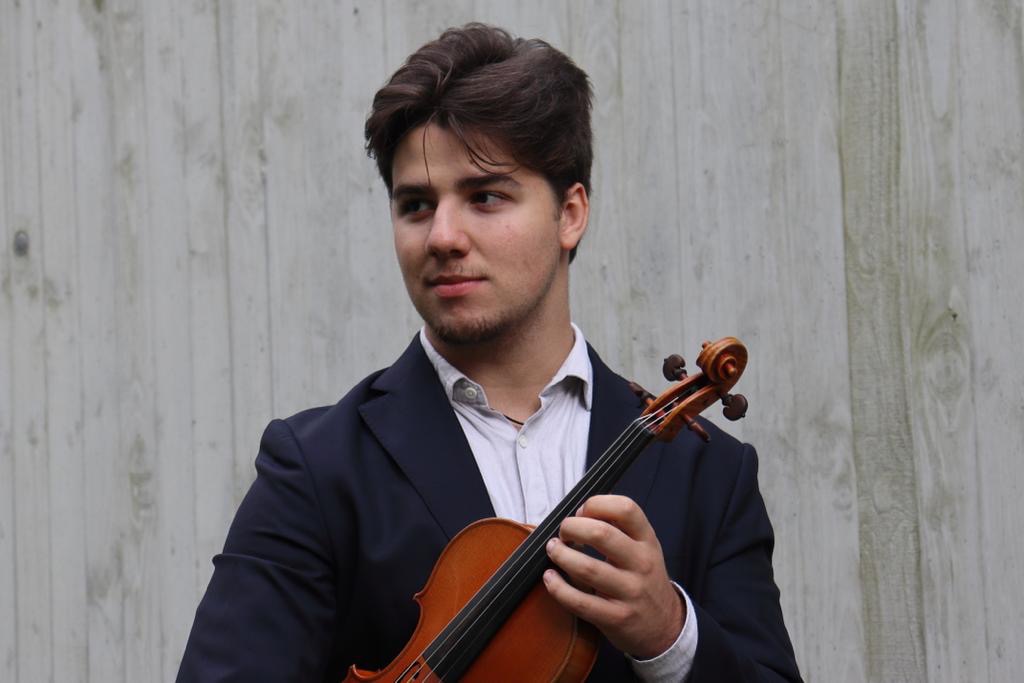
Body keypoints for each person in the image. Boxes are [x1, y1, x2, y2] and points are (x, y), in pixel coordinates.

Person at [177, 23, 801, 682]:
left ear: (570, 214)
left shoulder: (709, 473)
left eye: (484, 196)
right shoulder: (317, 468)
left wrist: (670, 635)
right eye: (416, 205)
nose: (442, 236)